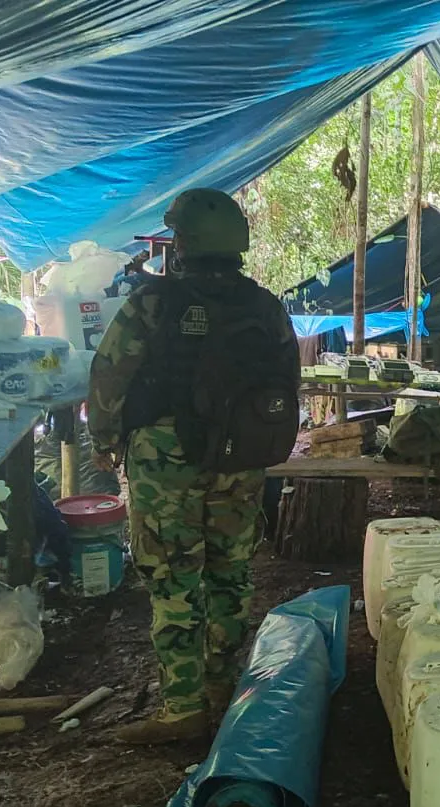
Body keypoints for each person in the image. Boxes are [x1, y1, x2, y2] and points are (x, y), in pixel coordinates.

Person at [89, 188, 299, 744]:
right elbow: (286, 381)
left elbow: (110, 377)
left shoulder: (151, 304)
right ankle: (222, 692)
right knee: (231, 574)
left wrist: (105, 439)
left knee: (174, 580)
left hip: (166, 460)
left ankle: (183, 709)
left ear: (183, 243)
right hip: (241, 456)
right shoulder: (265, 306)